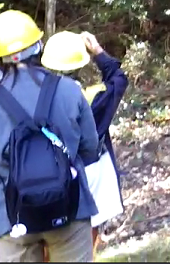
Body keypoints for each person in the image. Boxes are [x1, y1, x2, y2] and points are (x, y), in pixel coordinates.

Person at [0, 10, 101, 262]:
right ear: (39, 46)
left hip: (11, 217)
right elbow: (90, 148)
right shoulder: (70, 91)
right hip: (69, 207)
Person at [39, 30, 130, 257]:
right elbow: (119, 79)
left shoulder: (36, 97)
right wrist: (98, 51)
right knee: (88, 235)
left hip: (51, 172)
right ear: (82, 63)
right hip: (93, 169)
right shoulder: (94, 94)